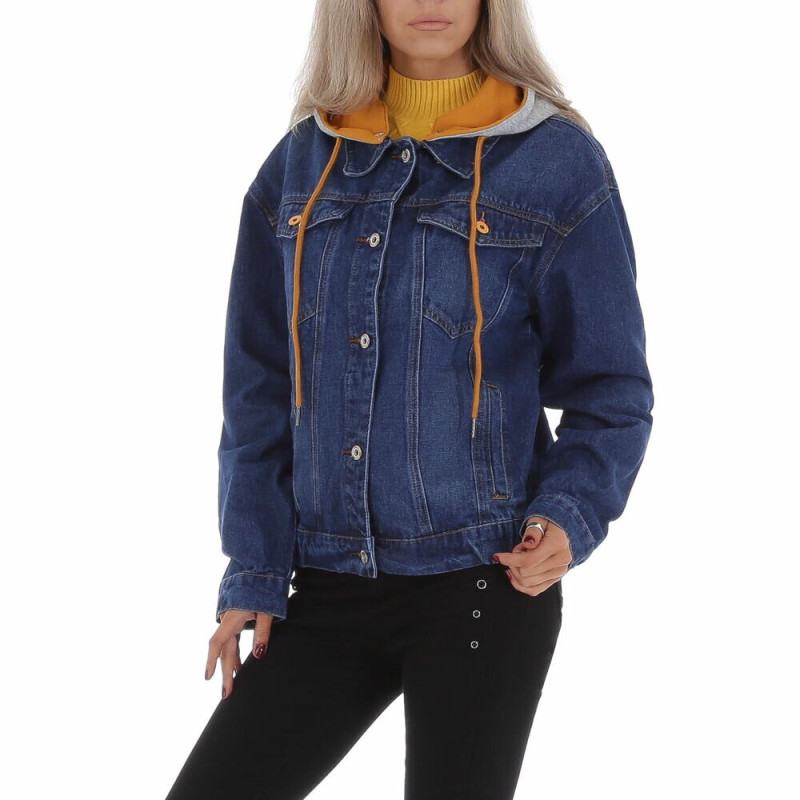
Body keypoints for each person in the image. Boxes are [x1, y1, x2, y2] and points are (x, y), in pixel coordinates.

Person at [165, 1, 654, 798]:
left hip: (485, 582)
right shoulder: (299, 165)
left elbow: (612, 388)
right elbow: (258, 390)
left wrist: (570, 515)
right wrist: (254, 567)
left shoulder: (559, 164)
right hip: (325, 581)